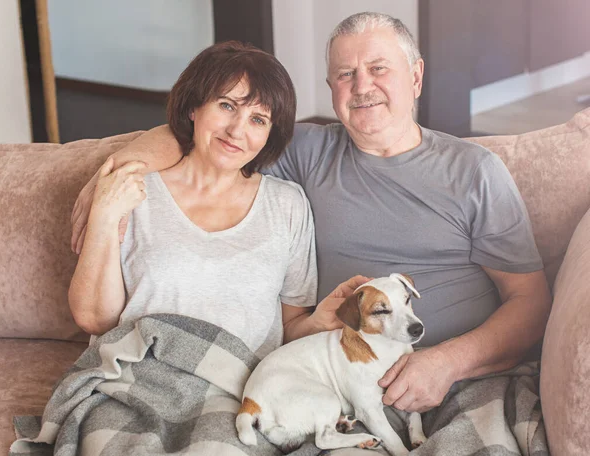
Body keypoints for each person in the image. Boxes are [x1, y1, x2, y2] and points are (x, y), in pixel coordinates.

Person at [71, 13, 551, 414]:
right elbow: (198, 133)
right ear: (330, 87)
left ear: (416, 76)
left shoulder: (475, 172)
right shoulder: (307, 151)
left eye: (379, 68)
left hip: (454, 377)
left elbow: (530, 303)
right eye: (345, 74)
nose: (362, 87)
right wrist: (114, 175)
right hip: (339, 374)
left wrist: (447, 364)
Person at [68, 40, 367, 358]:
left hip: (237, 390)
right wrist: (103, 213)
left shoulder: (287, 206)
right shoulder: (134, 191)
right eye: (227, 106)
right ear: (193, 108)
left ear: (269, 135)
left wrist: (319, 323)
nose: (237, 130)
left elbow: (288, 327)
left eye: (258, 120)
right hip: (138, 377)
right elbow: (94, 319)